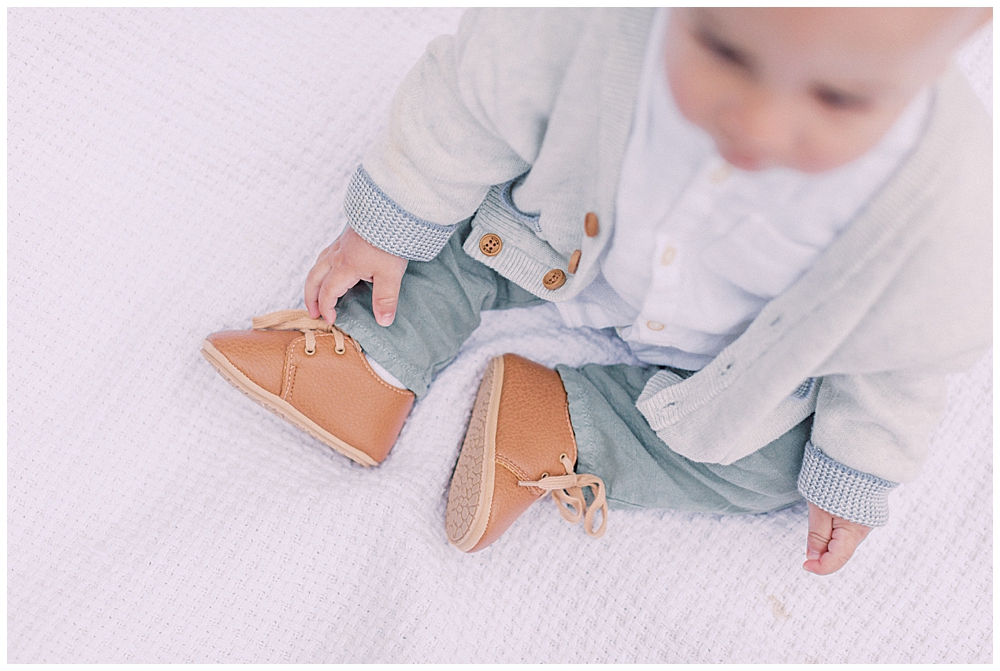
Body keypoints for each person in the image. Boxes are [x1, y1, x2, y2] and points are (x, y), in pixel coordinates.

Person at [202, 8, 992, 575]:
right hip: (556, 241)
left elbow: (900, 362)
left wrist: (855, 470)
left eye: (838, 99)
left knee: (783, 465)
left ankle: (563, 424)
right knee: (461, 214)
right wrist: (388, 222)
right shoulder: (589, 25)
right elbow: (470, 97)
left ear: (965, 33)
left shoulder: (940, 212)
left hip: (732, 360)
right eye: (722, 49)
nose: (756, 121)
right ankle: (371, 358)